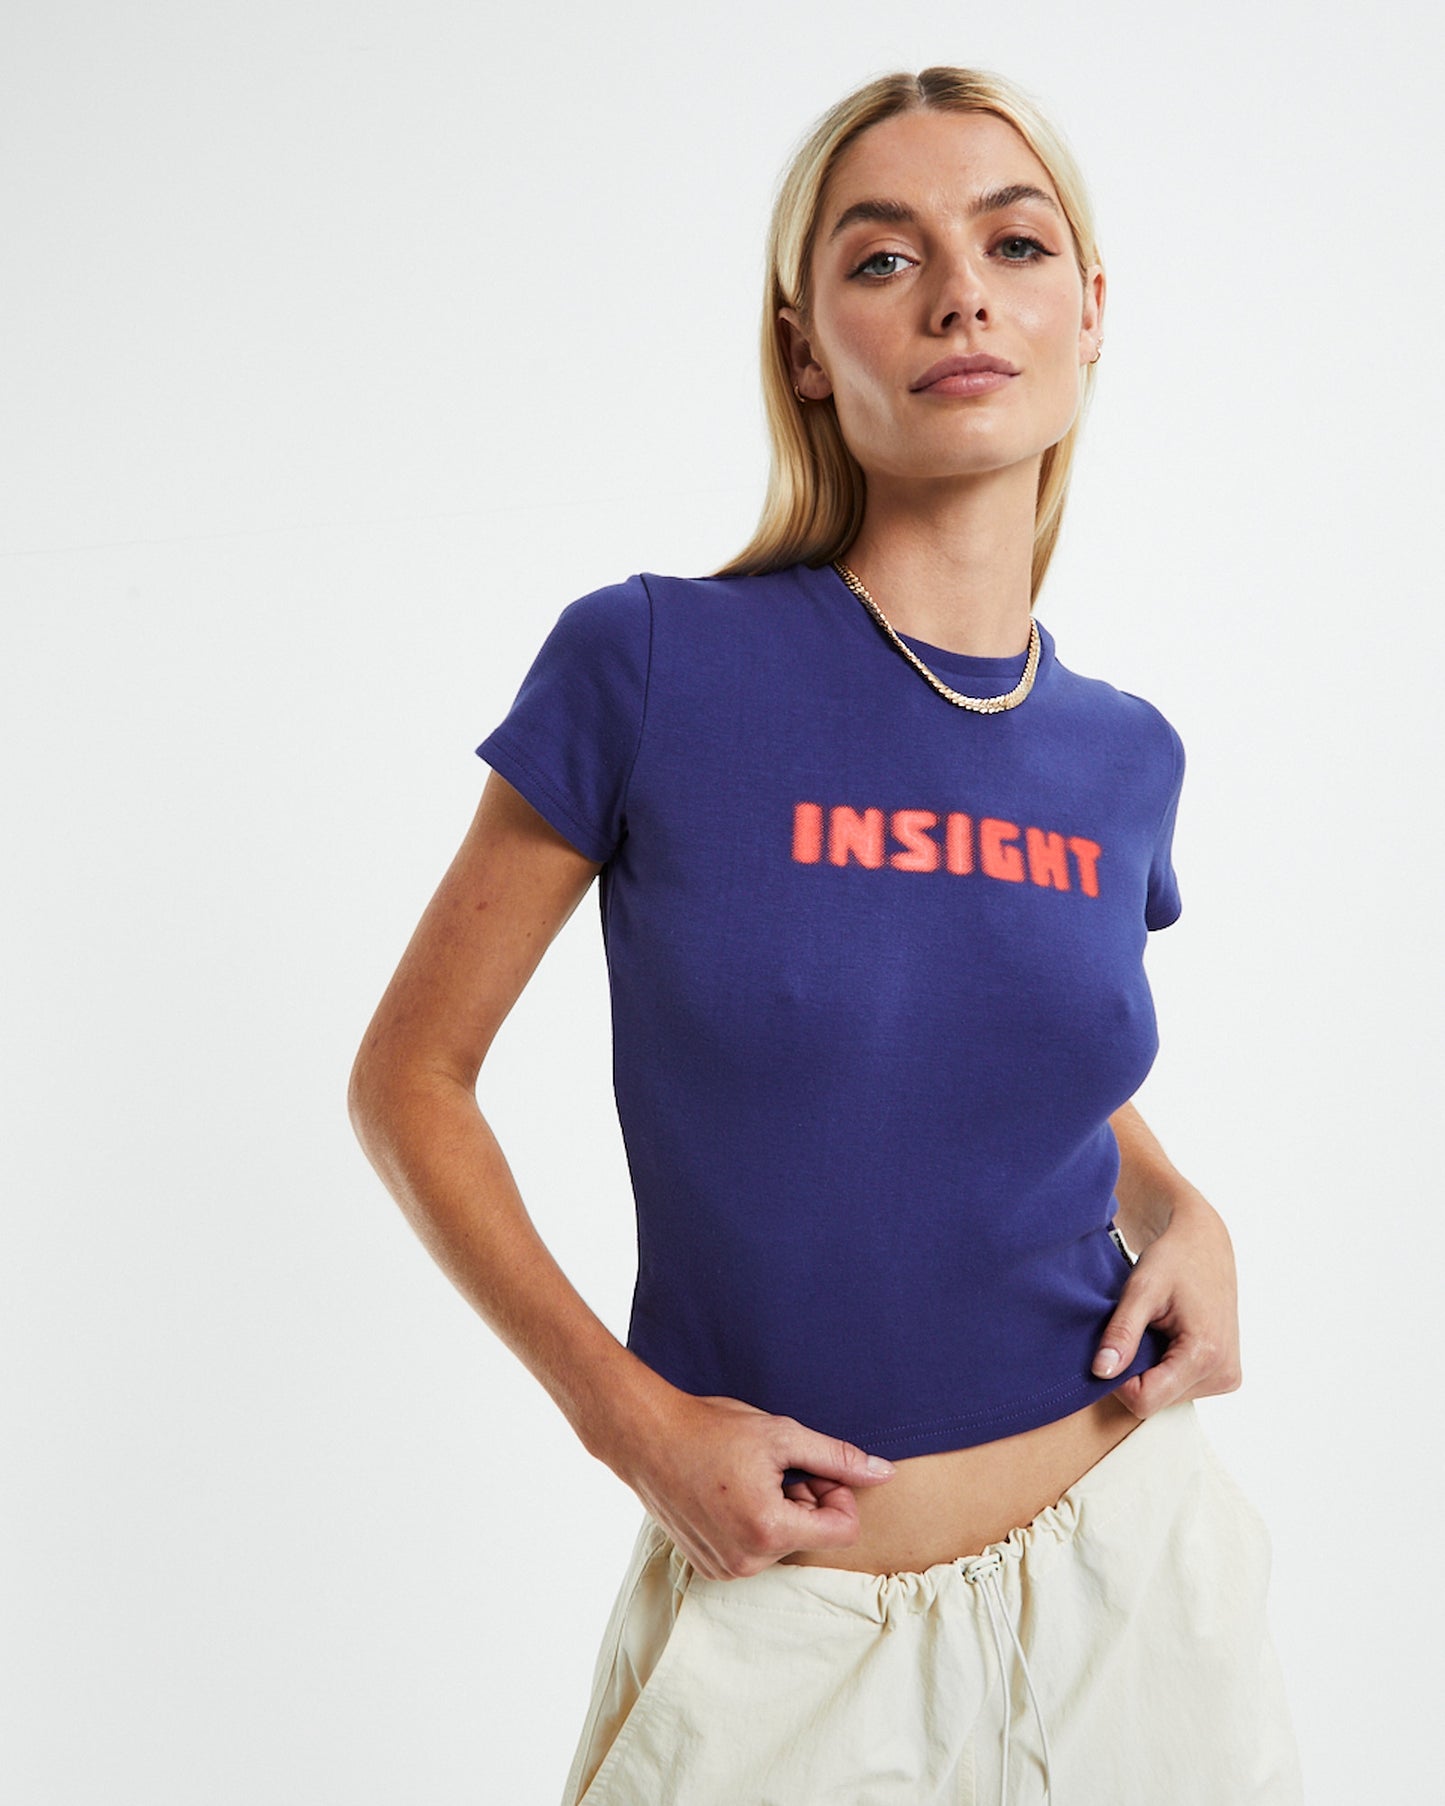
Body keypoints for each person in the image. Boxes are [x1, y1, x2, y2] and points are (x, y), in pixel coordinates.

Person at [348, 64, 1304, 1806]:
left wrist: (1176, 1203)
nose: (959, 296)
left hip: (1134, 1579)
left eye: (1013, 245)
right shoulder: (651, 664)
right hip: (788, 1620)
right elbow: (410, 1078)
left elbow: (996, 1038)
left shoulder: (1123, 755)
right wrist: (634, 1424)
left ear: (1088, 313)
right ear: (802, 346)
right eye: (882, 257)